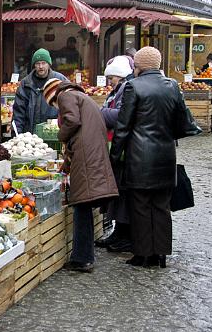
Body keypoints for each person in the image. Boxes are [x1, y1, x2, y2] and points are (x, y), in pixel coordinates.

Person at [109, 46, 189, 268]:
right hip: (165, 155)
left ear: (140, 66)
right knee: (162, 206)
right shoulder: (172, 86)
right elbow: (184, 123)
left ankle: (143, 254)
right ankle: (161, 254)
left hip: (140, 157)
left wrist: (115, 156)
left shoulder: (133, 87)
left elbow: (123, 127)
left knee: (141, 206)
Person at [41, 78, 119, 273]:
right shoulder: (82, 97)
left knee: (81, 206)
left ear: (53, 96)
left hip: (86, 158)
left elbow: (72, 122)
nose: (56, 107)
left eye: (53, 104)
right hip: (92, 155)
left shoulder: (65, 95)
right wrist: (66, 165)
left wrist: (61, 136)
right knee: (84, 206)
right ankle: (83, 256)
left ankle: (82, 259)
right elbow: (79, 134)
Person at [95, 55, 134, 252]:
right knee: (117, 192)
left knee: (122, 192)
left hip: (123, 148)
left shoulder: (126, 89)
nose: (110, 81)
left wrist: (99, 112)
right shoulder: (118, 90)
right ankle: (118, 233)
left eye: (112, 78)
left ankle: (124, 236)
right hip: (116, 146)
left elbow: (121, 116)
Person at [12, 49, 67, 134]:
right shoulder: (25, 83)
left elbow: (69, 107)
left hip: (52, 133)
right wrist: (17, 135)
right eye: (38, 63)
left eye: (44, 63)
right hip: (29, 136)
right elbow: (18, 112)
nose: (41, 66)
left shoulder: (60, 81)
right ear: (34, 65)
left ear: (49, 64)